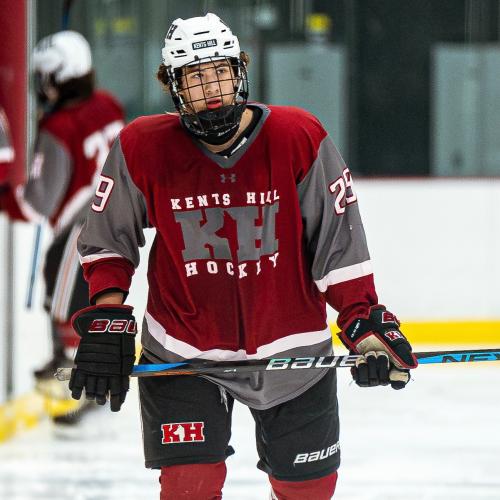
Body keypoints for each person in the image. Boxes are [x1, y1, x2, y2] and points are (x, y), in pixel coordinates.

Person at [70, 13, 417, 499]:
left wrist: (362, 319)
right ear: (173, 87)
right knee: (190, 489)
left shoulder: (299, 136)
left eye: (220, 71)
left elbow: (338, 243)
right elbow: (109, 238)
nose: (211, 87)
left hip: (294, 354)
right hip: (183, 354)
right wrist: (107, 315)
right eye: (195, 76)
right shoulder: (141, 146)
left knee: (309, 491)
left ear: (240, 72)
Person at [13, 31, 125, 421]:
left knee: (66, 296)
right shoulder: (107, 103)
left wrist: (9, 194)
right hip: (115, 212)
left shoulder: (58, 127)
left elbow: (39, 201)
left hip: (83, 223)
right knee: (84, 290)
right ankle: (71, 361)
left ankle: (82, 377)